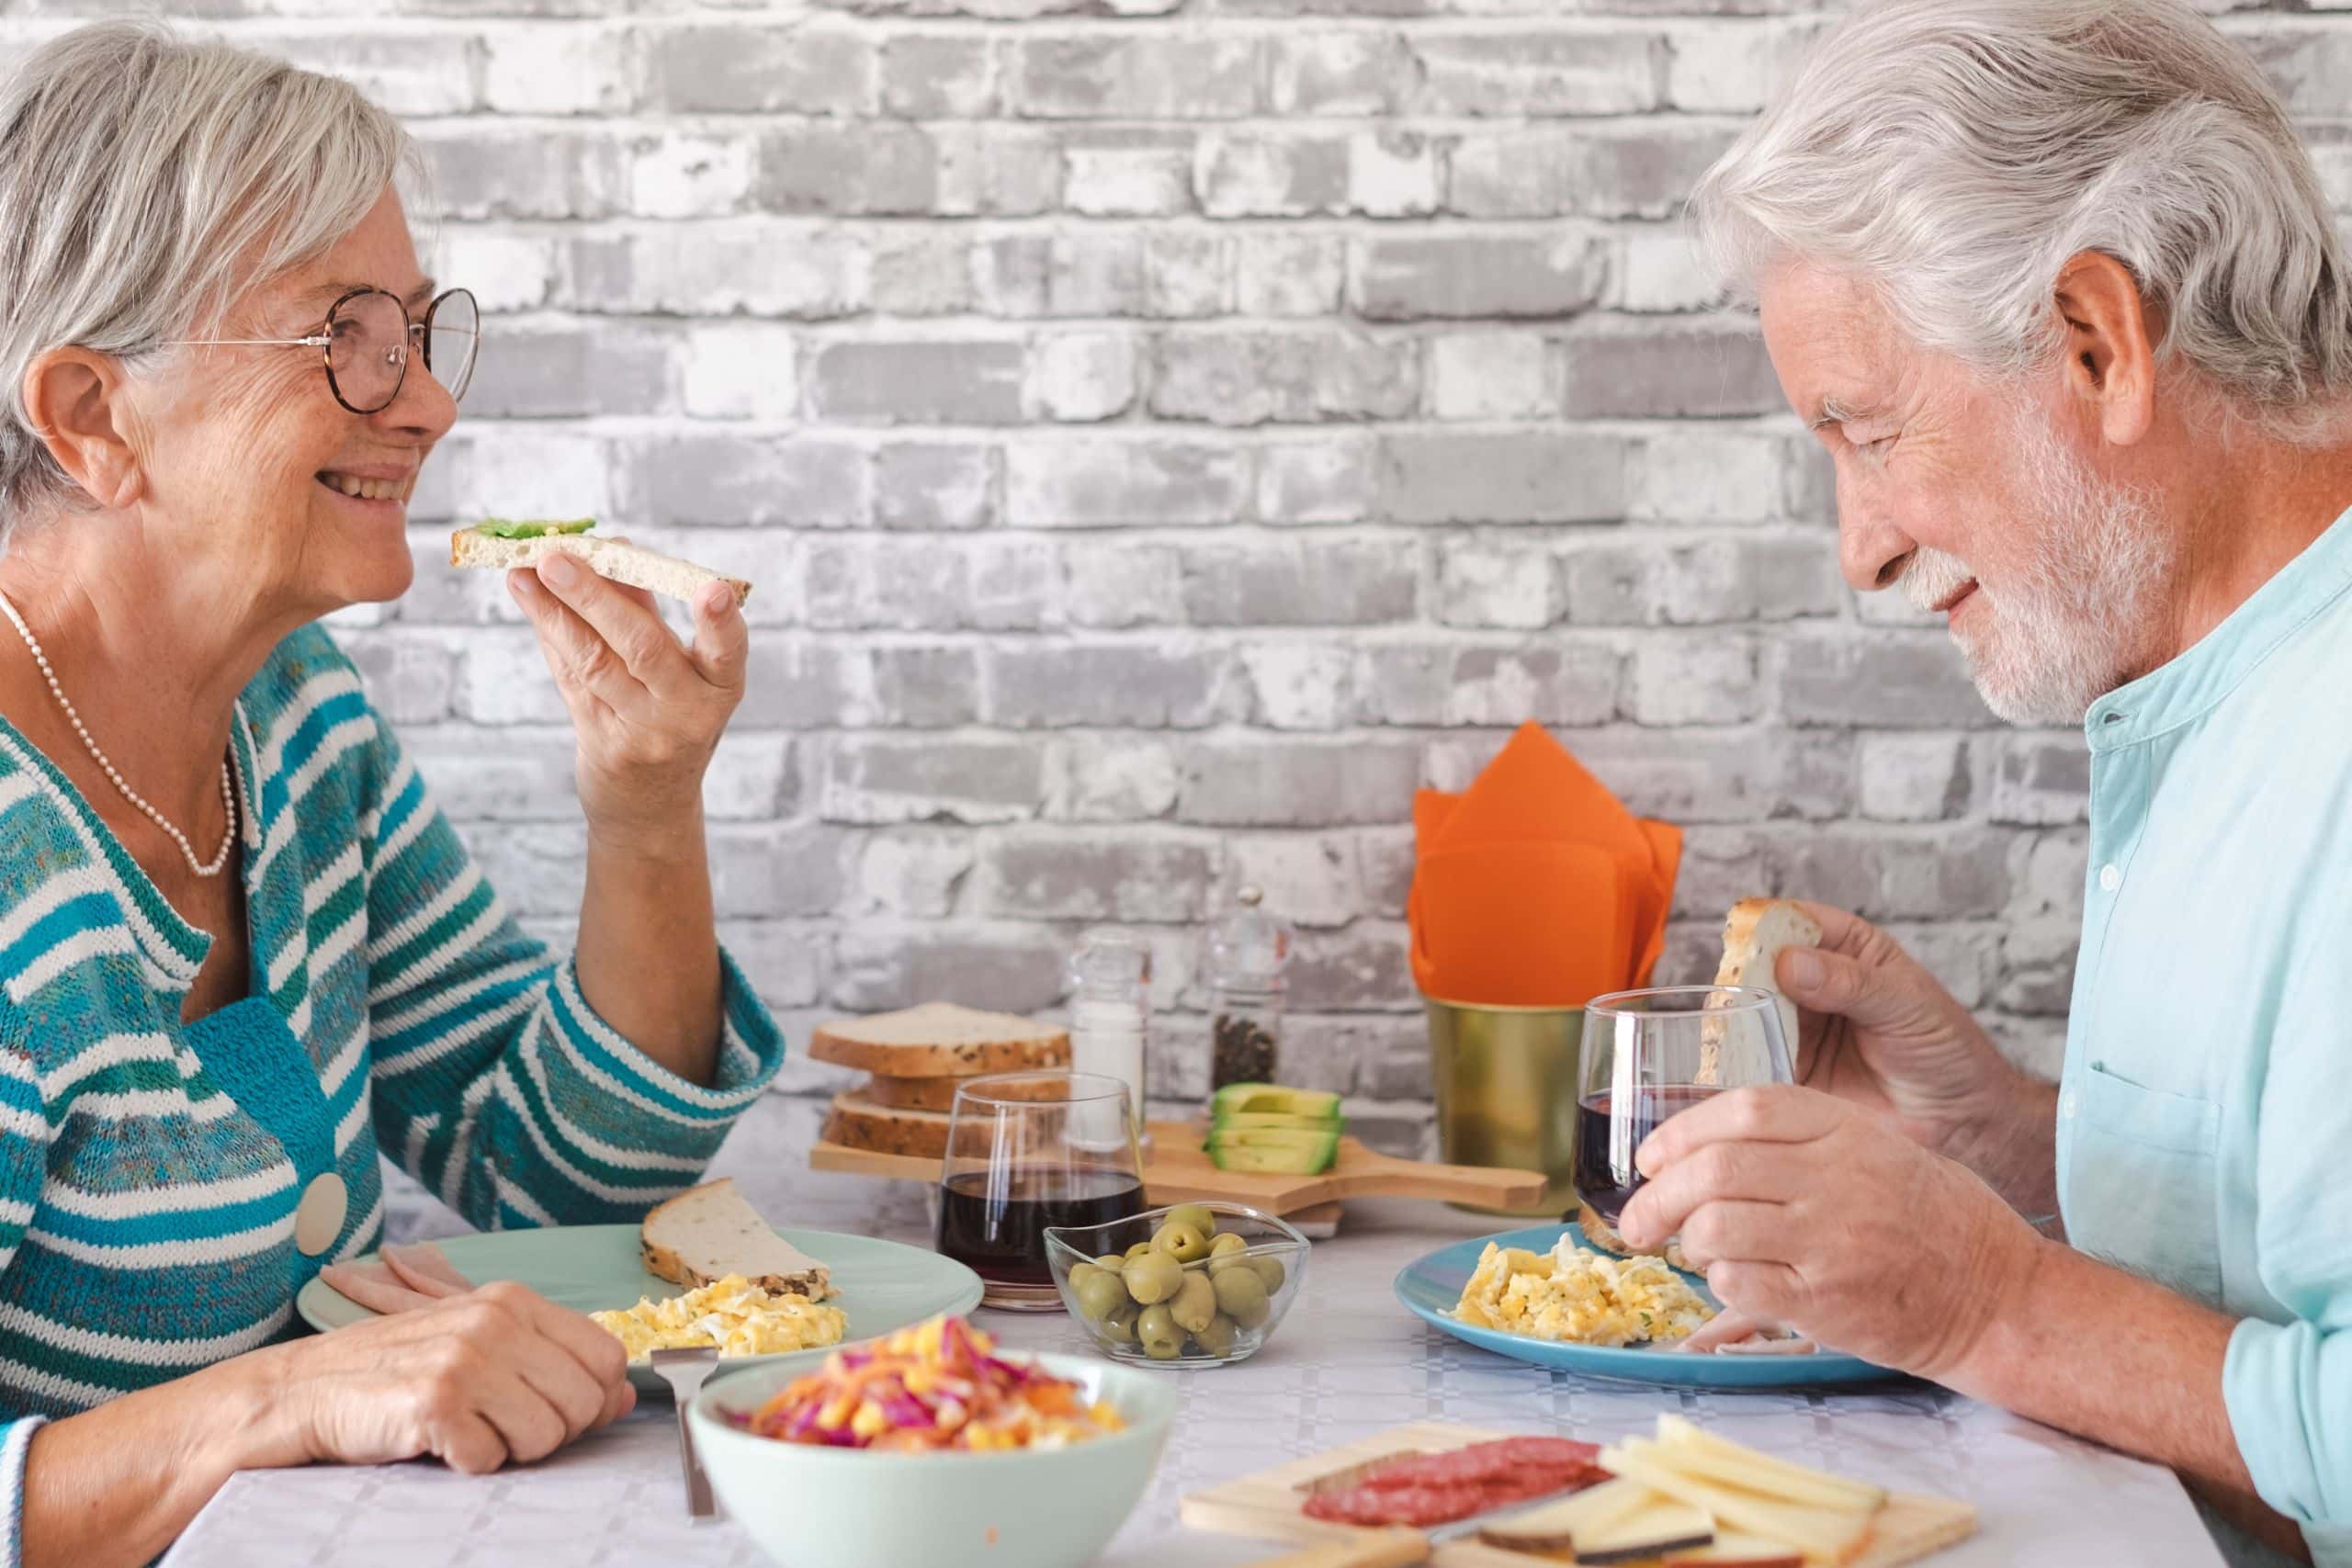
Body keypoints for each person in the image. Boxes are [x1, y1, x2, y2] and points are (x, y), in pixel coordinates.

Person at [0, 22, 786, 1567]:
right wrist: (273, 1401)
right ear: (93, 414)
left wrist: (644, 807)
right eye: (347, 336)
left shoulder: (291, 722)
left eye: (423, 334)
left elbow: (559, 1168)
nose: (424, 402)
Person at [1615, 3, 2352, 1564]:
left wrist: (1992, 1302)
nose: (1859, 545)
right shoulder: (2223, 686)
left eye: (1869, 433)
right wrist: (1999, 1143)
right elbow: (2286, 1264)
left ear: (2099, 343)